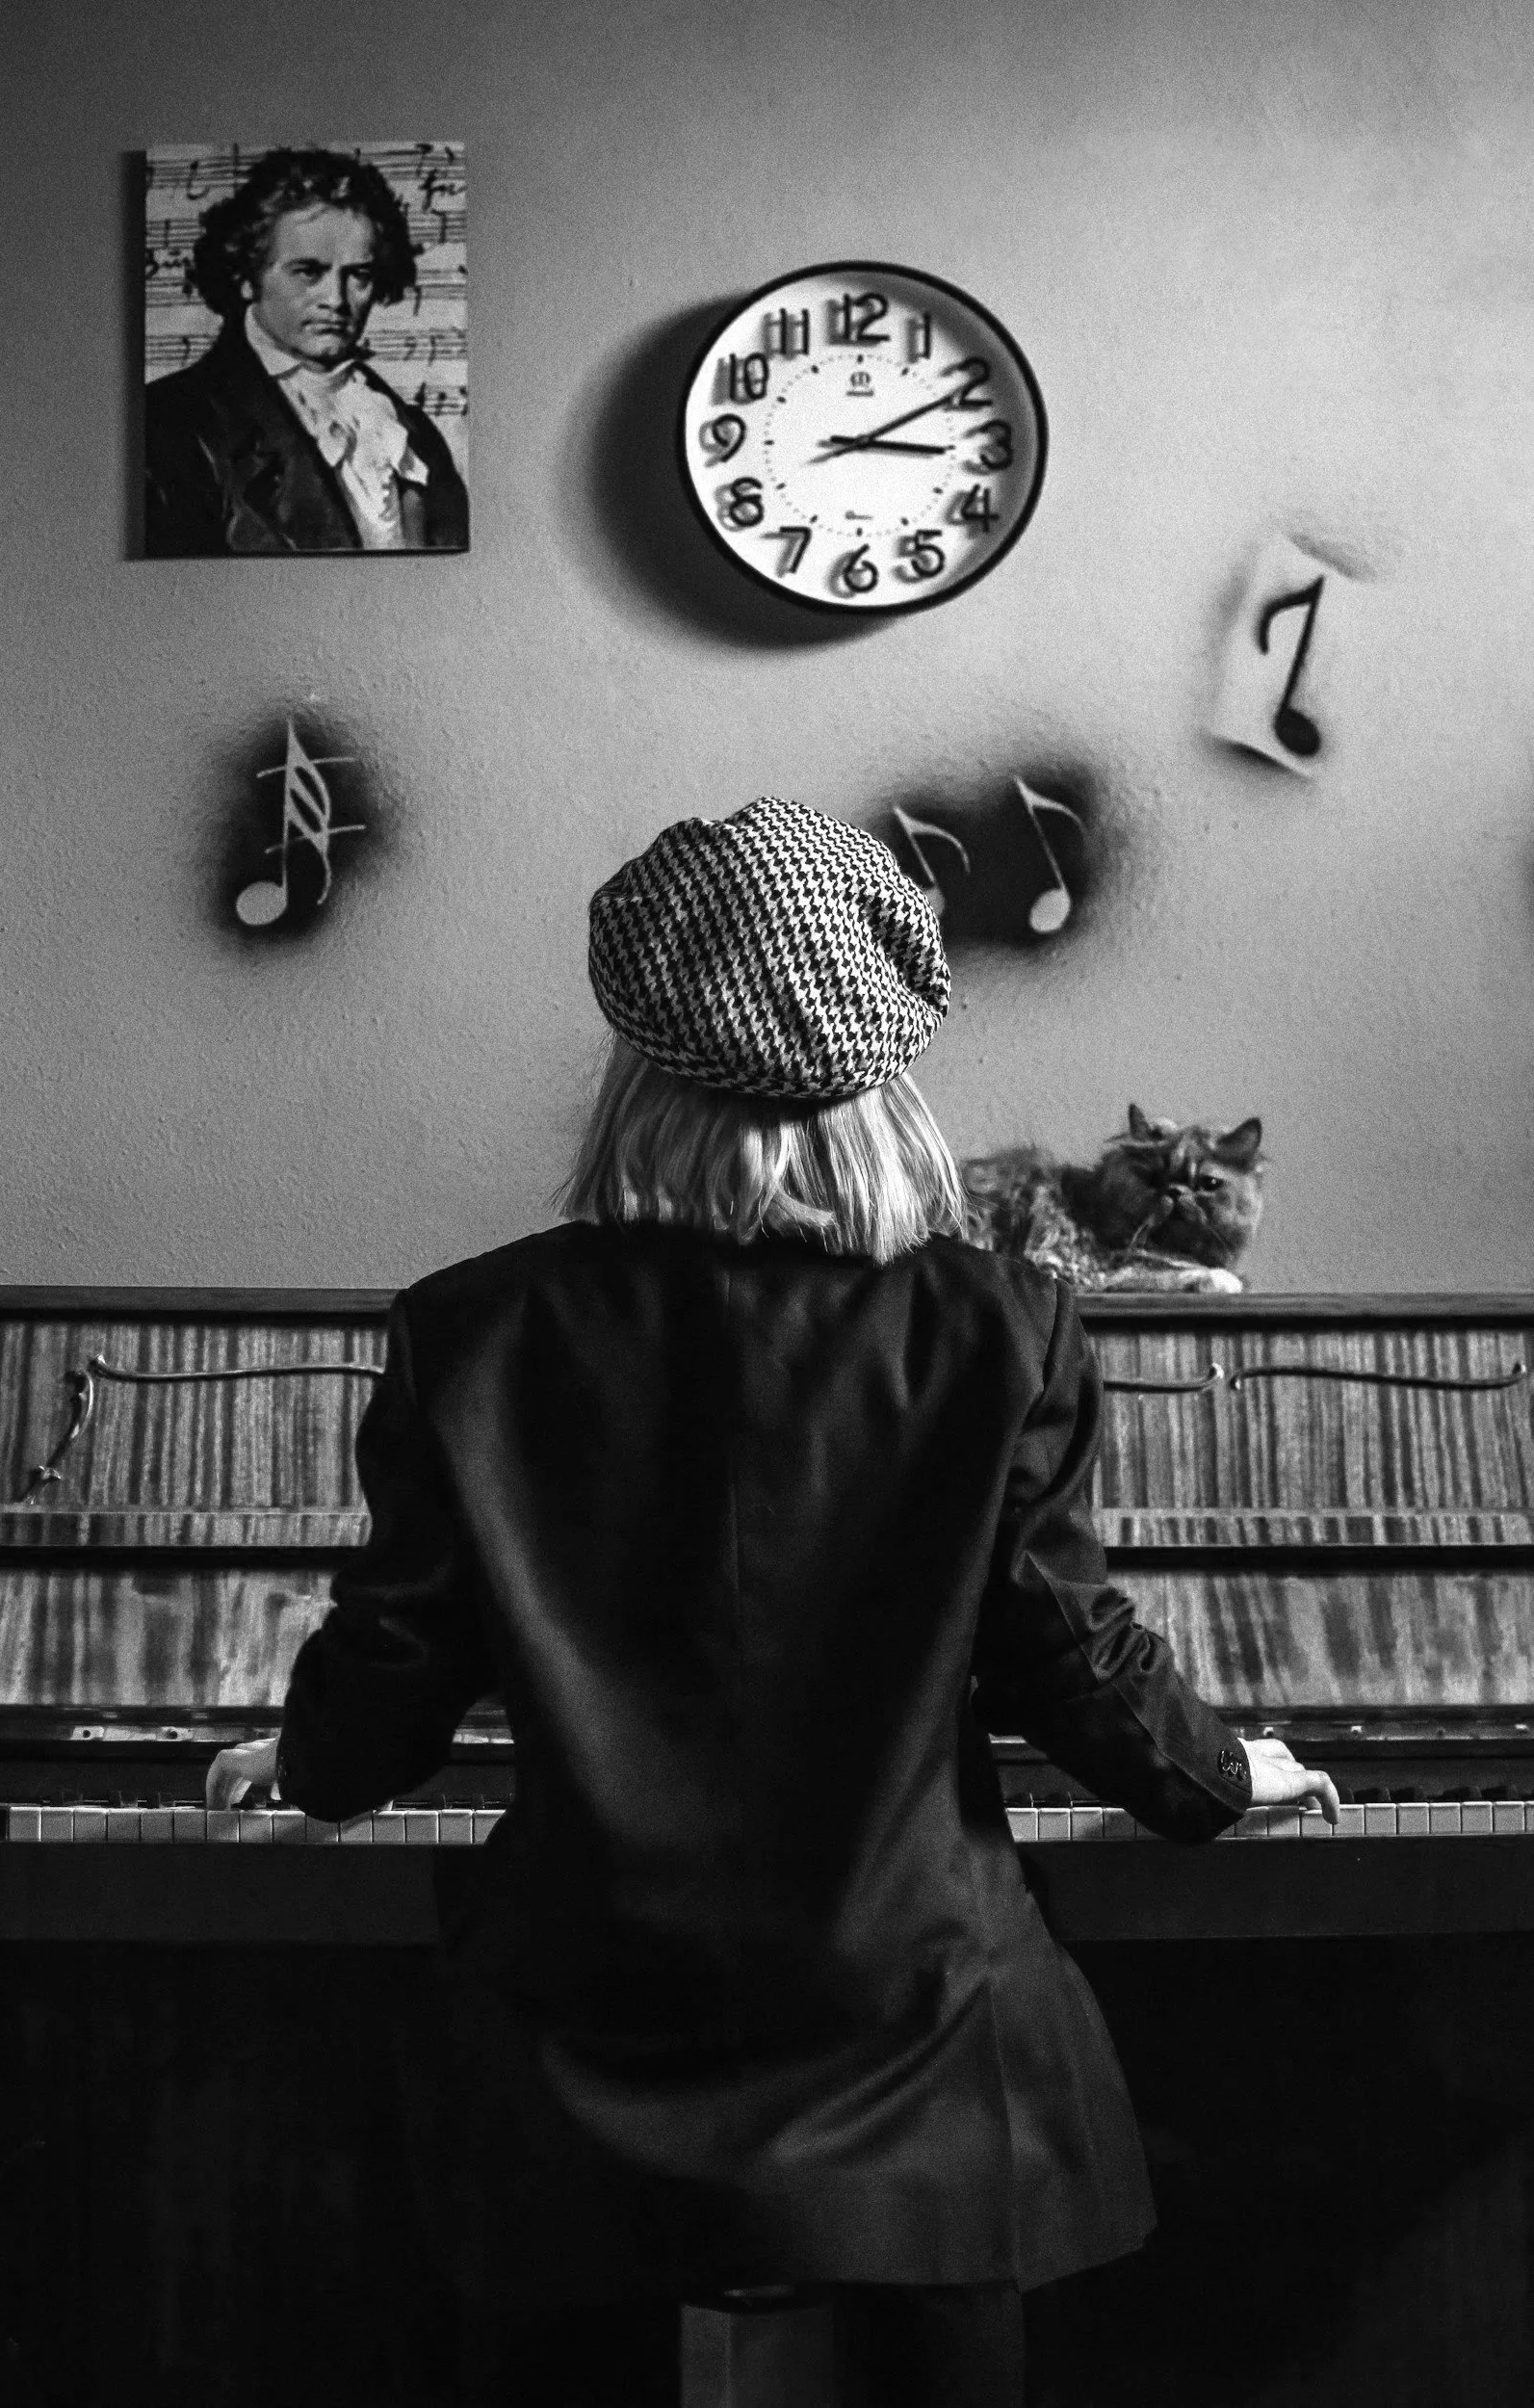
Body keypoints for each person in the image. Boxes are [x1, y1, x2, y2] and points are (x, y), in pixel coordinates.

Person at [209, 797, 1337, 2407]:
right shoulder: (1001, 1326)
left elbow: (396, 1661)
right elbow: (1063, 1653)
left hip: (583, 2040)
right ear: (882, 1072)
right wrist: (1222, 1774)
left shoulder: (476, 1329)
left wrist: (307, 1760)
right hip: (914, 2029)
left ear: (636, 1064)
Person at [144, 147, 470, 556]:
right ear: (248, 276)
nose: (335, 299)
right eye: (308, 272)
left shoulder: (413, 434)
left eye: (359, 276)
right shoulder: (169, 425)